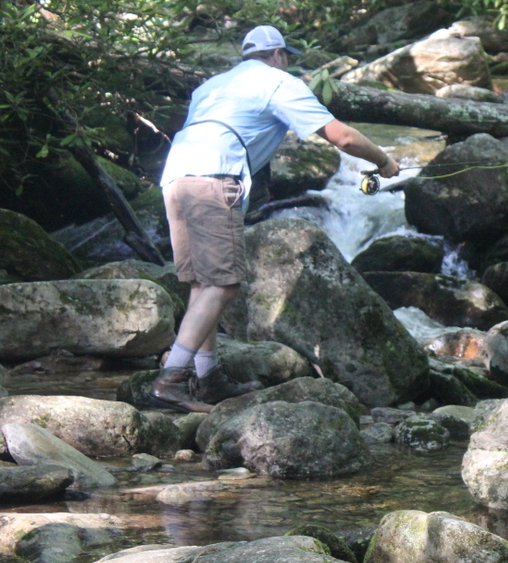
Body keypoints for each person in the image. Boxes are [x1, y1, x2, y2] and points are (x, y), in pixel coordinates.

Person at [150, 25, 400, 412]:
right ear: (279, 55)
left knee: (203, 283)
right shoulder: (279, 82)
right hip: (216, 175)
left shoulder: (212, 86)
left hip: (176, 177)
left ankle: (209, 377)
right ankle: (171, 381)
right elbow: (342, 137)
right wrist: (383, 161)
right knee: (223, 285)